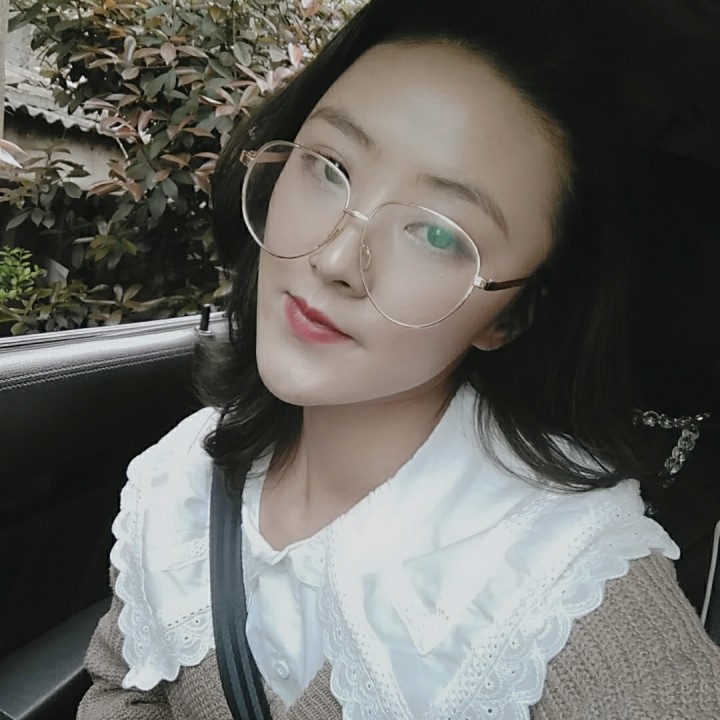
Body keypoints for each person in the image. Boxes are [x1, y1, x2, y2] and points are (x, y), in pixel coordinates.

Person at [77, 0, 720, 718]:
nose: (335, 259)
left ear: (513, 313)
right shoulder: (182, 475)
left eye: (439, 235)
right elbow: (122, 686)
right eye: (328, 167)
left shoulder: (564, 583)